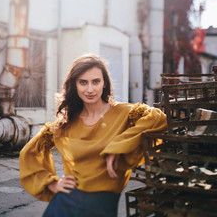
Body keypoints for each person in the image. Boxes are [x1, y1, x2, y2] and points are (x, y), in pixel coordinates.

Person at [19, 53, 167, 217]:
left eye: (96, 81)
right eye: (83, 82)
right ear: (75, 85)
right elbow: (29, 153)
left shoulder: (125, 114)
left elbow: (158, 118)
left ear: (104, 83)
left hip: (102, 208)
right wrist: (51, 183)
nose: (90, 89)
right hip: (63, 206)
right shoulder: (66, 124)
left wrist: (118, 147)